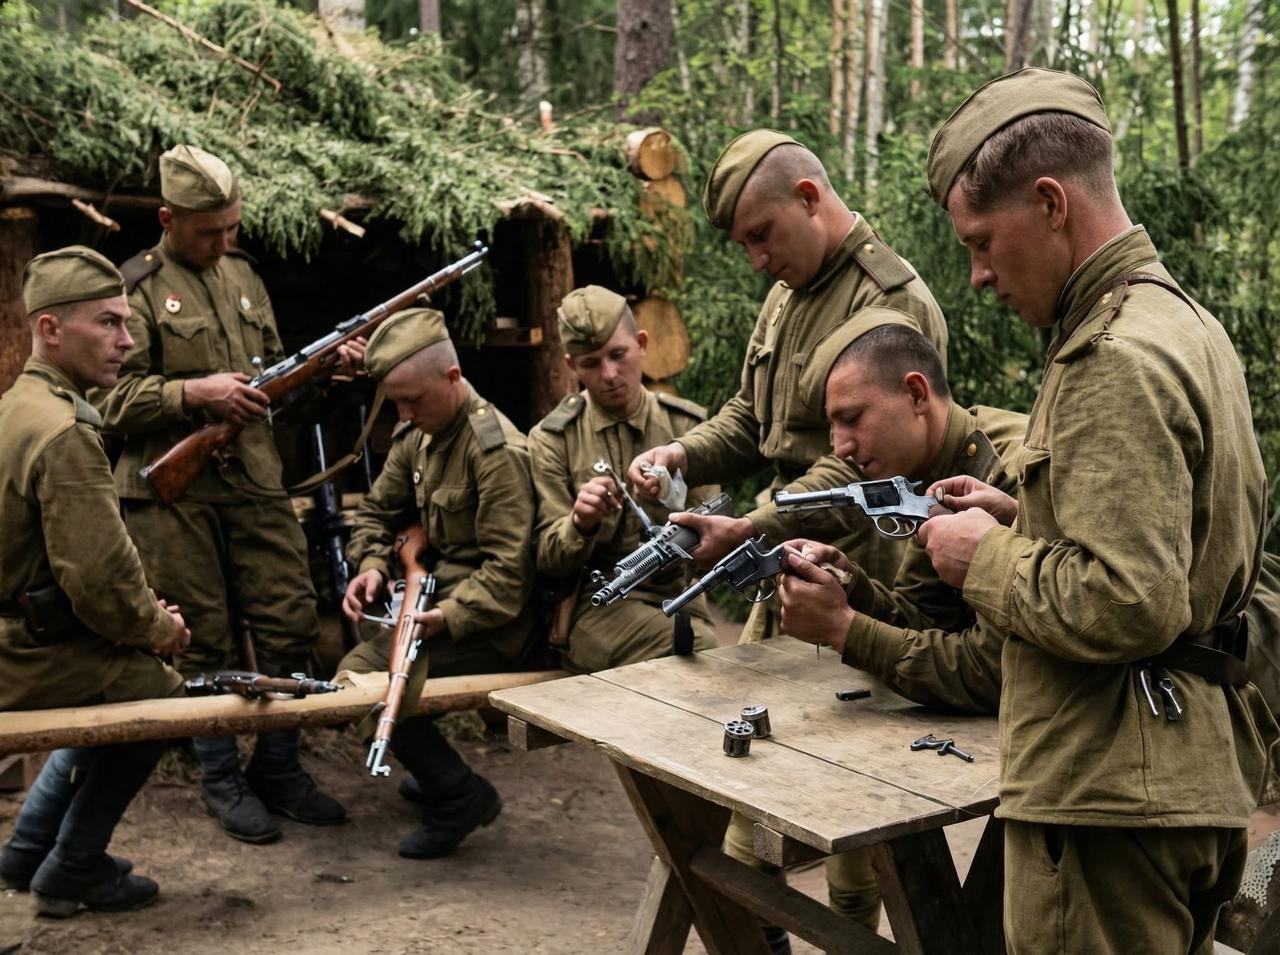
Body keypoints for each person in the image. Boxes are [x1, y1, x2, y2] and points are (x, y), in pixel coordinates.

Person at [909, 68, 1278, 952]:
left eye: (982, 241)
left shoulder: (1108, 357)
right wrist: (1023, 512)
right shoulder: (1185, 323)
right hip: (1183, 776)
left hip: (1111, 801)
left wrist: (979, 558)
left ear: (1049, 203)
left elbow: (1131, 599)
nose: (978, 276)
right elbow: (1190, 545)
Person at [627, 131, 949, 949]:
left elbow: (855, 476)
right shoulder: (788, 293)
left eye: (763, 235)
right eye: (744, 245)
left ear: (810, 197)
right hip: (782, 570)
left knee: (859, 824)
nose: (756, 258)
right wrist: (683, 453)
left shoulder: (890, 301)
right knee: (751, 794)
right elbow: (749, 416)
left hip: (859, 581)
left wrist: (752, 524)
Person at [93, 145, 347, 845]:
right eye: (211, 231)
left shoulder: (243, 276)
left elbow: (270, 379)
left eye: (233, 227)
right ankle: (220, 777)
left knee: (291, 618)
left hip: (254, 480)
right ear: (169, 219)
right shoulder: (134, 290)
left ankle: (279, 767)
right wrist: (190, 393)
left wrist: (324, 368)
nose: (226, 241)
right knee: (199, 635)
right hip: (176, 495)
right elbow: (108, 398)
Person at [0, 247, 191, 917]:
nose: (127, 341)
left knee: (118, 672)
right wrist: (160, 628)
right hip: (26, 655)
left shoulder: (16, 408)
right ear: (51, 329)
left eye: (127, 323)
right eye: (107, 323)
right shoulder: (64, 431)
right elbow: (102, 581)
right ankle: (74, 866)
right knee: (163, 698)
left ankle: (27, 850)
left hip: (23, 639)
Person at [337, 307, 536, 859]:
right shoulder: (420, 432)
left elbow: (508, 577)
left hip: (492, 624)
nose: (402, 412)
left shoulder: (495, 452)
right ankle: (434, 774)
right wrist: (372, 565)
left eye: (412, 399)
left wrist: (444, 616)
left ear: (452, 377)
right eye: (395, 401)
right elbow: (375, 513)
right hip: (435, 602)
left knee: (363, 678)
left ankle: (458, 794)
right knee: (371, 665)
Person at [529, 286, 717, 673]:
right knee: (697, 652)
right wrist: (580, 522)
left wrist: (679, 515)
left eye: (618, 355)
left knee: (713, 653)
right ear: (571, 365)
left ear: (642, 344)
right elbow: (547, 559)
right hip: (598, 604)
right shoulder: (553, 440)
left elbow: (716, 529)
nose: (609, 374)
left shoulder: (686, 427)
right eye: (591, 363)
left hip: (682, 593)